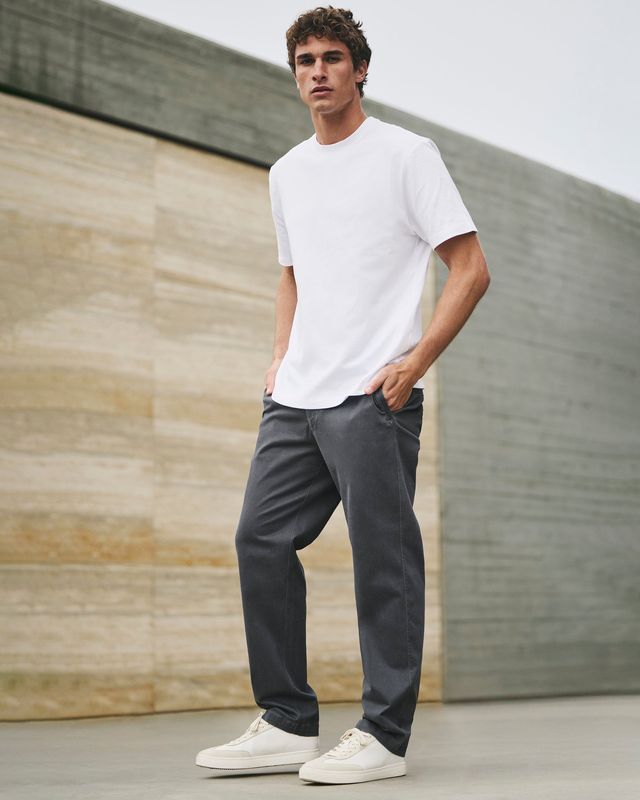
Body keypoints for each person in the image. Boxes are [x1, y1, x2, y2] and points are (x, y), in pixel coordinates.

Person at [196, 5, 490, 786]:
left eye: (332, 58)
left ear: (360, 70)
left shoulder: (405, 155)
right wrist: (279, 355)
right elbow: (292, 274)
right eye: (305, 61)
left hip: (371, 396)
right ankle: (286, 722)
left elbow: (470, 267)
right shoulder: (287, 172)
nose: (318, 72)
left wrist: (414, 362)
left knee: (382, 561)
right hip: (296, 397)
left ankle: (384, 735)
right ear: (294, 75)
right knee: (259, 539)